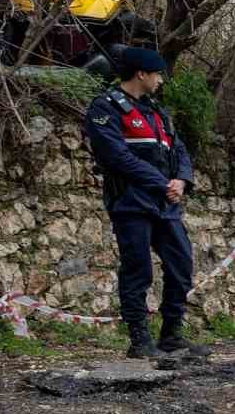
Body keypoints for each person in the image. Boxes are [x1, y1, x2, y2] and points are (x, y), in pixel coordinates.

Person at [82, 47, 207, 359]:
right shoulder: (105, 107)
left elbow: (179, 150)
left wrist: (181, 179)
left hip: (166, 205)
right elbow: (115, 156)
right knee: (138, 270)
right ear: (141, 73)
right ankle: (140, 341)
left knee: (181, 266)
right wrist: (161, 182)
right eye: (158, 73)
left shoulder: (157, 112)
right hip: (131, 202)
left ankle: (172, 335)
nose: (162, 79)